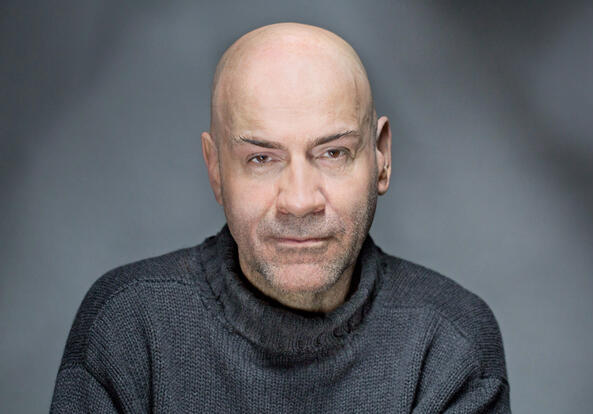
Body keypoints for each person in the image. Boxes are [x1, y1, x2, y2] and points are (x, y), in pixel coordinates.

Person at [51, 23, 511, 413]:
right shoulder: (129, 325)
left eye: (333, 153)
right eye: (261, 159)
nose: (299, 200)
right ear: (215, 169)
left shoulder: (448, 342)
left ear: (381, 156)